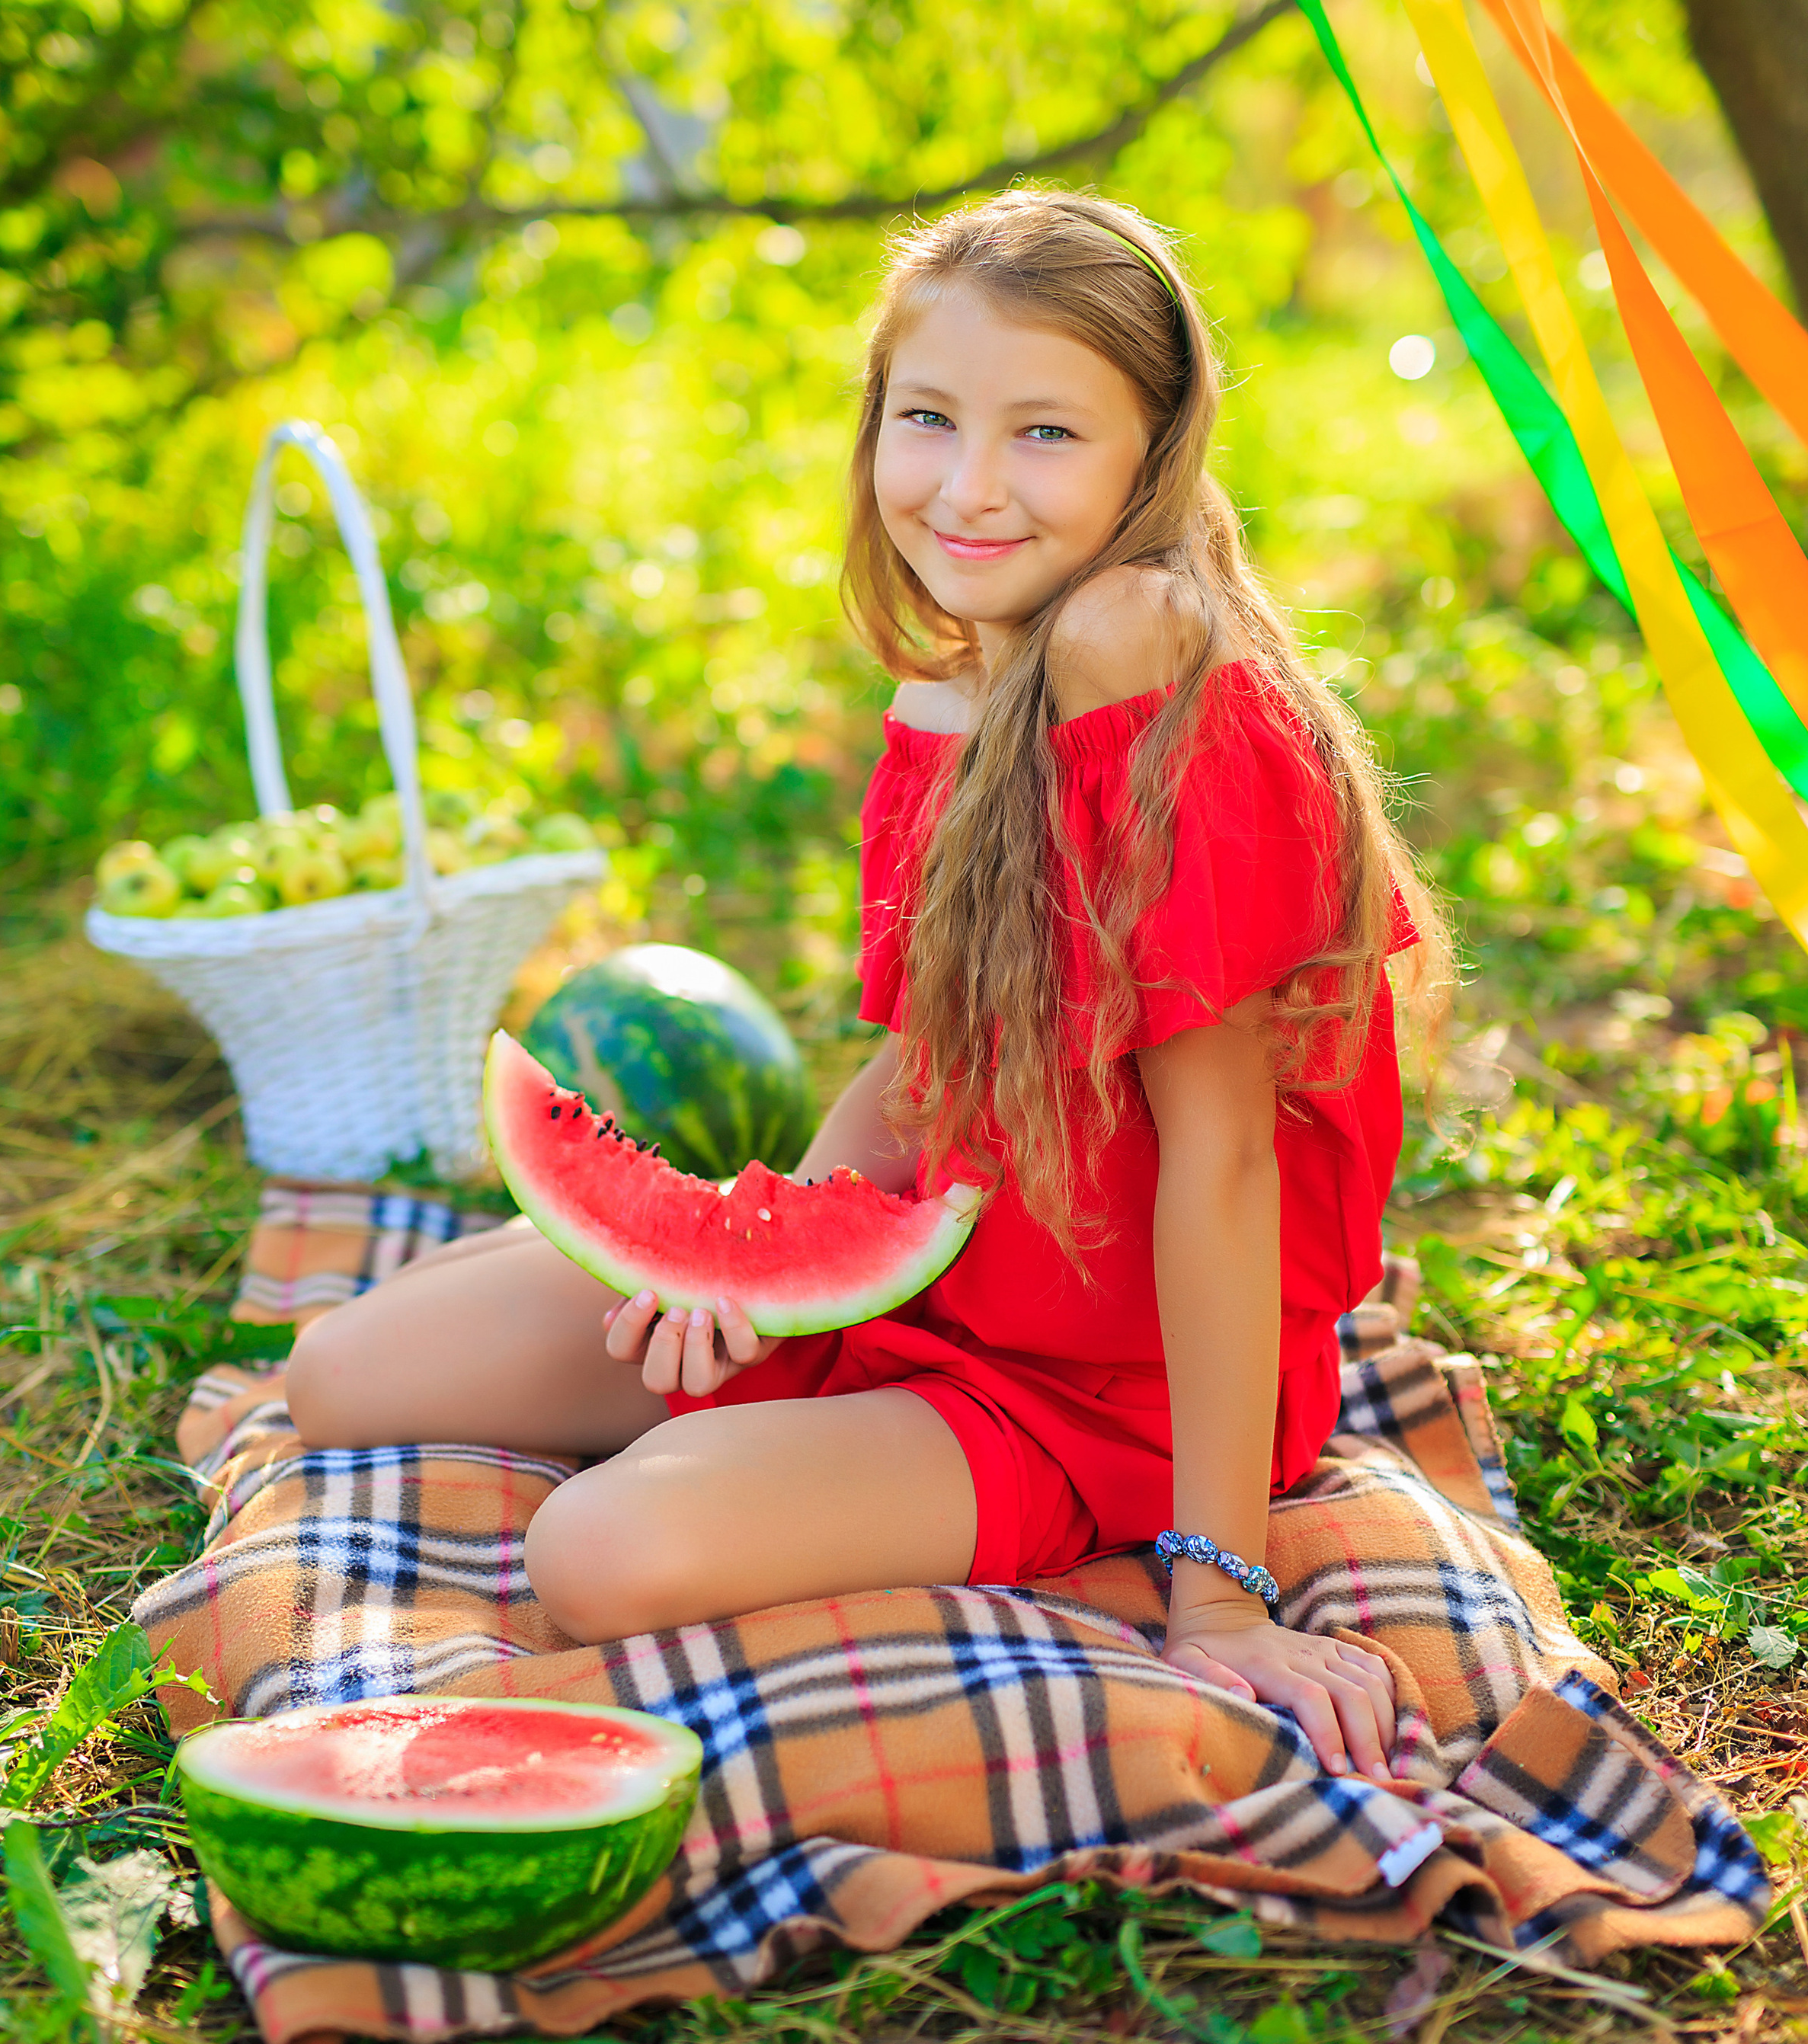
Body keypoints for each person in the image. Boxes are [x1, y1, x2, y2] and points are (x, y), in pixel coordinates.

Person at [286, 188, 1448, 1778]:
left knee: (592, 1557)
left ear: (1152, 452)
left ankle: (917, 1477)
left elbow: (1228, 1157)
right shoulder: (950, 688)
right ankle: (777, 1397)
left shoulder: (1147, 655)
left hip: (1109, 1387)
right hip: (933, 1272)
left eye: (1044, 433)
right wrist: (752, 1262)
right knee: (340, 1376)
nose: (966, 487)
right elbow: (921, 1077)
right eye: (927, 419)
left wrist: (1224, 1590)